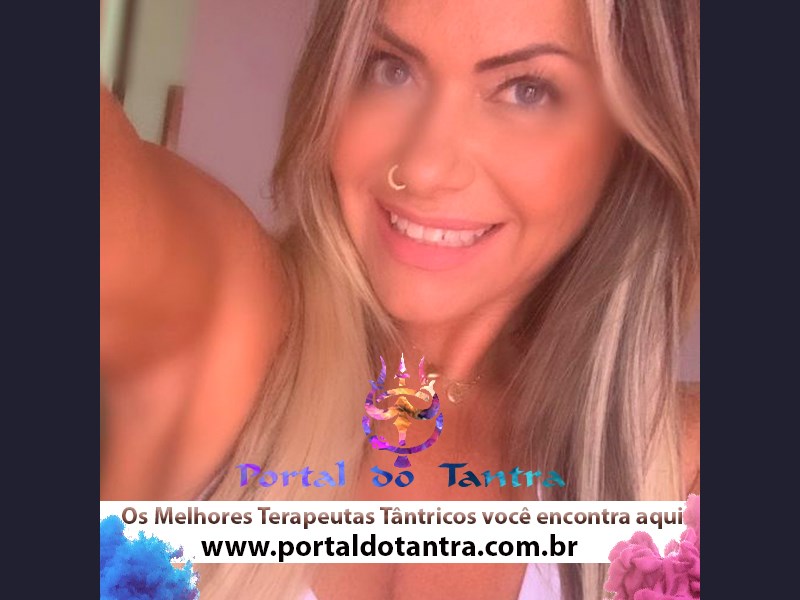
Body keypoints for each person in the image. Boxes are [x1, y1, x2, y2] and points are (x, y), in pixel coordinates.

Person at [100, 0, 700, 598]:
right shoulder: (224, 320)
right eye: (391, 68)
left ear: (629, 140)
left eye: (526, 91)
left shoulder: (679, 485)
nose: (424, 168)